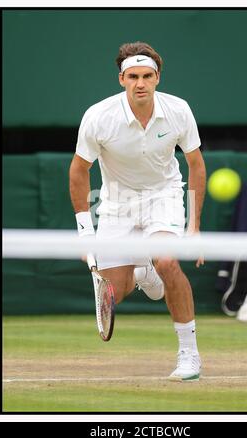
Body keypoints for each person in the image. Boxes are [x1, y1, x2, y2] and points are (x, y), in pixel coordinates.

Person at [69, 41, 206, 381]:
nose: (140, 83)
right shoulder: (99, 116)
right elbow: (78, 171)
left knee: (168, 260)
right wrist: (85, 231)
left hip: (164, 195)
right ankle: (144, 274)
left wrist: (194, 227)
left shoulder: (178, 110)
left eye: (147, 76)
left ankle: (189, 355)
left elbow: (196, 165)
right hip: (115, 202)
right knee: (115, 291)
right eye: (133, 76)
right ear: (121, 79)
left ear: (158, 78)